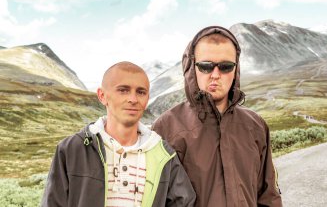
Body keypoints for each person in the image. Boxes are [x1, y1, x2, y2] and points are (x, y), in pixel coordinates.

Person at [152, 26, 282, 207]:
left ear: (236, 70)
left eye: (226, 67)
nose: (215, 75)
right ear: (191, 67)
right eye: (205, 67)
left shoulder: (256, 126)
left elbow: (268, 196)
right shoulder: (166, 128)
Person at [41, 61, 196, 207]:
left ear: (147, 98)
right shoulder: (71, 150)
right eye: (123, 90)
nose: (133, 99)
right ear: (102, 96)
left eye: (141, 92)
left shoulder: (163, 156)